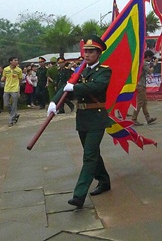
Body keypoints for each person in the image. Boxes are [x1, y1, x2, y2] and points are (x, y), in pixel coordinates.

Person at [48, 35, 112, 209]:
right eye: (86, 51)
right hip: (83, 118)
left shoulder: (104, 71)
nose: (87, 54)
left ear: (99, 54)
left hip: (97, 118)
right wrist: (54, 101)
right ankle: (104, 180)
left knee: (89, 156)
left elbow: (97, 87)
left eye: (91, 51)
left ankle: (79, 195)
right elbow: (65, 87)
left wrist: (75, 87)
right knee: (92, 153)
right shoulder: (80, 71)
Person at [131, 50, 157, 126]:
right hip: (141, 85)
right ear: (148, 57)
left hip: (140, 85)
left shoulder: (140, 62)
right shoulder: (143, 63)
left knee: (144, 102)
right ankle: (134, 118)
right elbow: (149, 71)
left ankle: (148, 118)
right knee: (140, 103)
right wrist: (154, 64)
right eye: (151, 57)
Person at [1, 57, 23, 127]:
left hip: (15, 89)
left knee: (14, 104)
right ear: (10, 62)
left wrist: (18, 89)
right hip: (7, 89)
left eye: (17, 60)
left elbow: (20, 80)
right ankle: (14, 115)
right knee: (6, 104)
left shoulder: (19, 70)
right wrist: (2, 79)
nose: (16, 61)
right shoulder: (6, 69)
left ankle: (11, 120)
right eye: (15, 60)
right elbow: (3, 78)